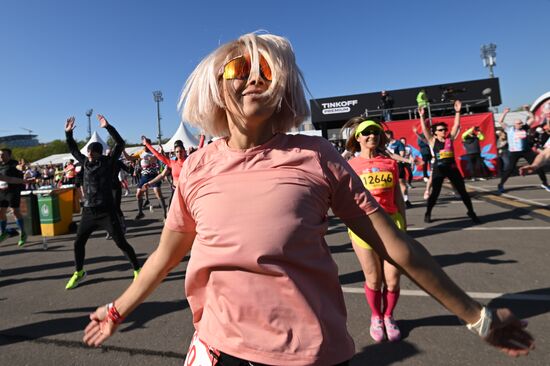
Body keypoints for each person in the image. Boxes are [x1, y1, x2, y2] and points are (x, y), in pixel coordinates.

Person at [83, 33, 533, 365]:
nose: (254, 78)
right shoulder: (198, 167)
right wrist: (117, 309)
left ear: (282, 88)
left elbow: (397, 246)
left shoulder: (317, 157)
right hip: (218, 349)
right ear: (219, 88)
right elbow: (164, 256)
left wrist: (479, 318)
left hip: (311, 355)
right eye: (239, 69)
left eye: (267, 71)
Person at [343, 118, 405, 343]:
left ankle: (389, 316)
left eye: (376, 132)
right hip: (363, 227)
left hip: (391, 224)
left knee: (393, 279)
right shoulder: (349, 166)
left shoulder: (390, 163)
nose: (372, 135)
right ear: (357, 137)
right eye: (367, 132)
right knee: (374, 279)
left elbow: (397, 196)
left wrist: (404, 227)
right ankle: (376, 317)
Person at [64, 115, 141, 290]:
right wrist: (68, 134)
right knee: (78, 243)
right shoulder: (85, 163)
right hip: (89, 211)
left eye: (93, 152)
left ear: (99, 152)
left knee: (121, 242)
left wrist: (108, 127)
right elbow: (73, 150)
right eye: (88, 152)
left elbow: (120, 144)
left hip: (107, 211)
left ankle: (137, 269)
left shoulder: (108, 162)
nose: (89, 154)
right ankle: (79, 272)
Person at [419, 101, 481, 224]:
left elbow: (456, 125)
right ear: (435, 132)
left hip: (452, 168)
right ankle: (428, 212)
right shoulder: (432, 140)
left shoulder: (449, 139)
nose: (443, 131)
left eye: (444, 129)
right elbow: (425, 130)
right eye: (441, 130)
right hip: (439, 169)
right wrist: (421, 116)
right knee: (435, 194)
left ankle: (471, 212)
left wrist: (458, 111)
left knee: (463, 192)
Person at [497, 107, 549, 193]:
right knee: (509, 169)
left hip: (526, 151)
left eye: (521, 123)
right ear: (515, 124)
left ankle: (545, 183)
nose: (520, 124)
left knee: (538, 165)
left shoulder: (524, 127)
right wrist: (505, 113)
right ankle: (501, 184)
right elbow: (500, 122)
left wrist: (528, 110)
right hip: (514, 152)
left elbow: (532, 118)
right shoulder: (509, 129)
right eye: (518, 123)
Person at [124, 139, 168, 219]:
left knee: (158, 193)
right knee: (138, 194)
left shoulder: (154, 151)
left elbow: (153, 159)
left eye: (147, 145)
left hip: (153, 175)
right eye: (144, 145)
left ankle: (165, 214)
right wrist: (123, 150)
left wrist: (160, 151)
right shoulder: (141, 152)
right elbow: (129, 158)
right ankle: (140, 212)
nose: (145, 147)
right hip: (144, 176)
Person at [141, 137, 187, 205]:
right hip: (175, 191)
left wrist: (202, 139)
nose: (179, 153)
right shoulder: (172, 163)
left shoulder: (189, 162)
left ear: (184, 151)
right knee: (171, 212)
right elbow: (158, 155)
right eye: (177, 151)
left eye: (181, 151)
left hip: (186, 191)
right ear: (174, 152)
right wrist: (149, 183)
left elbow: (199, 153)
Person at [0, 148, 27, 246]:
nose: (1, 156)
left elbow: (19, 167)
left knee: (15, 211)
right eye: (0, 155)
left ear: (9, 155)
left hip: (13, 191)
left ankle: (23, 233)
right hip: (2, 191)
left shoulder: (13, 163)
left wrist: (22, 167)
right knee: (0, 212)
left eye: (3, 154)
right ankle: (3, 233)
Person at [386, 130, 412, 208]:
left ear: (390, 135)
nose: (385, 137)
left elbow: (402, 154)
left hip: (398, 165)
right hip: (387, 166)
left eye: (386, 135)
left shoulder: (398, 143)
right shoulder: (384, 144)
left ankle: (406, 199)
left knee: (401, 183)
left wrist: (397, 159)